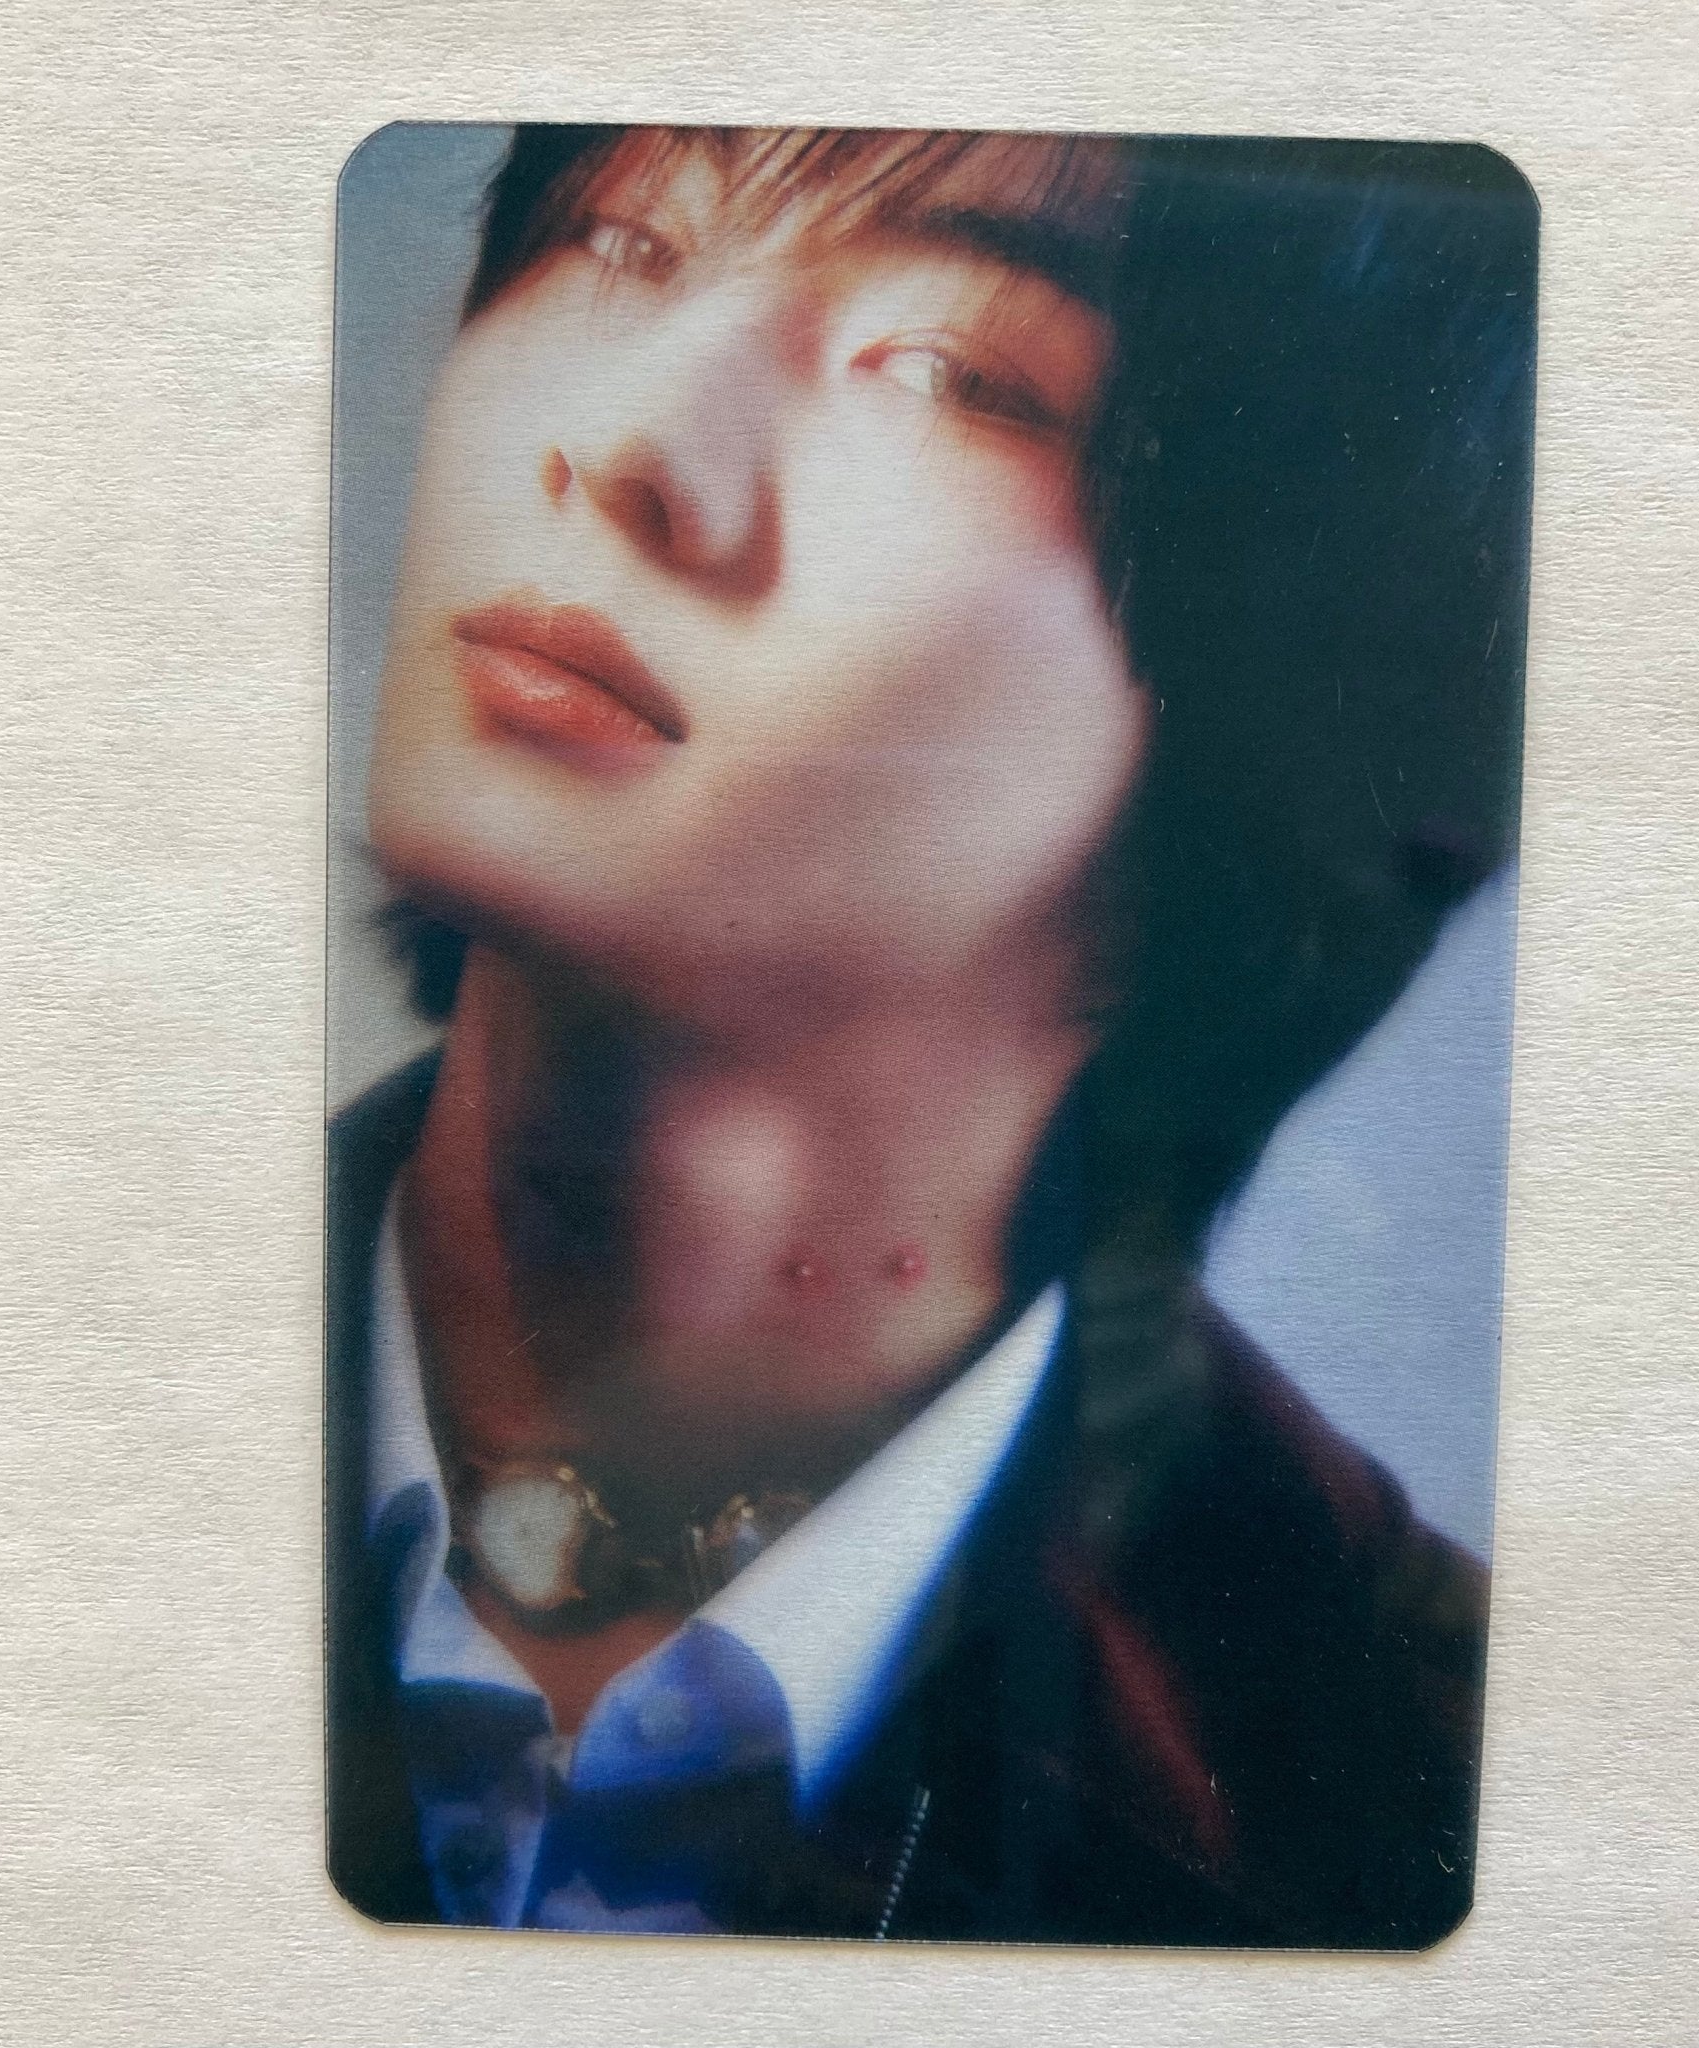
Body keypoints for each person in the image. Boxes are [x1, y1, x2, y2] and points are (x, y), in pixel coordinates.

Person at [326, 123, 1537, 1946]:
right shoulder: (6, 1395)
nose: (630, 446)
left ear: (1288, 708)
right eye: (620, 241)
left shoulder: (1425, 1808)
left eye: (949, 368)